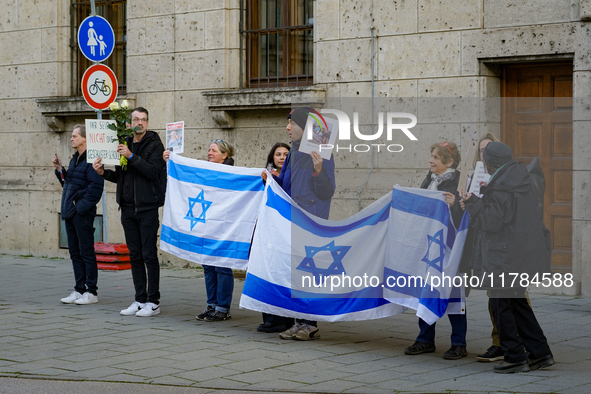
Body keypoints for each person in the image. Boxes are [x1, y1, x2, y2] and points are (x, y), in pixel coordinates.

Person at [462, 141, 554, 374]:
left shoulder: (502, 185)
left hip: (505, 255)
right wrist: (480, 201)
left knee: (501, 304)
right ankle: (540, 353)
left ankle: (514, 356)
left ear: (491, 163)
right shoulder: (518, 177)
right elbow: (505, 215)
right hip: (520, 252)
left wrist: (472, 204)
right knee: (518, 303)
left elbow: (490, 223)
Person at [261, 107, 336, 340]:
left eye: (291, 123)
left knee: (307, 273)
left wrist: (319, 171)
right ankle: (298, 320)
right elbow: (286, 187)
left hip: (310, 219)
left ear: (304, 128)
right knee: (295, 272)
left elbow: (328, 191)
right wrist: (272, 181)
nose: (287, 128)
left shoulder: (322, 153)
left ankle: (309, 323)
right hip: (291, 220)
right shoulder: (293, 152)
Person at [92, 107, 166, 317]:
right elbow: (122, 177)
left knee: (149, 254)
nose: (139, 123)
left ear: (147, 123)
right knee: (135, 255)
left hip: (147, 208)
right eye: (136, 119)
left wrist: (131, 156)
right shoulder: (125, 142)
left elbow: (152, 171)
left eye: (143, 120)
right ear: (130, 122)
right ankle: (139, 299)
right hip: (127, 208)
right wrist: (103, 172)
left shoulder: (155, 144)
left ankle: (153, 301)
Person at [404, 141, 468, 360]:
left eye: (436, 158)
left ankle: (459, 342)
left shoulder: (460, 181)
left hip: (449, 247)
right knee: (426, 289)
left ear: (449, 162)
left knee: (452, 293)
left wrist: (455, 205)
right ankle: (424, 338)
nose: (430, 160)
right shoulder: (430, 178)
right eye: (431, 156)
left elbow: (465, 218)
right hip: (428, 245)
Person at [166, 140, 237, 322]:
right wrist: (171, 160)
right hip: (207, 225)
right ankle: (211, 304)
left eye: (214, 150)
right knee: (208, 264)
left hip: (223, 227)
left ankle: (223, 308)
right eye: (209, 149)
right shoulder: (205, 169)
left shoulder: (233, 173)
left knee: (221, 266)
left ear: (224, 155)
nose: (209, 152)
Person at [54, 124, 104, 305]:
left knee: (86, 252)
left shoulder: (92, 160)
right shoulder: (75, 159)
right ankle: (79, 289)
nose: (71, 139)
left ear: (85, 139)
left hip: (81, 214)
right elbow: (70, 184)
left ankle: (91, 291)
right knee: (75, 253)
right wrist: (61, 171)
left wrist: (79, 208)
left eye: (75, 136)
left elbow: (95, 189)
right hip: (70, 213)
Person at [256, 142, 294, 333]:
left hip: (285, 230)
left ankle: (283, 319)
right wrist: (267, 181)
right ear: (272, 157)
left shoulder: (290, 176)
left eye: (286, 154)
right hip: (270, 230)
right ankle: (270, 317)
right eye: (278, 154)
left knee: (282, 272)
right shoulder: (268, 175)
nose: (281, 157)